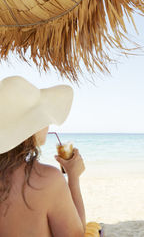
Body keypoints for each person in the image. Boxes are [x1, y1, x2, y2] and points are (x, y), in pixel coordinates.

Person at [0, 76, 101, 237]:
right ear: (29, 128)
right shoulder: (47, 179)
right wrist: (73, 177)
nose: (48, 124)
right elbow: (76, 234)